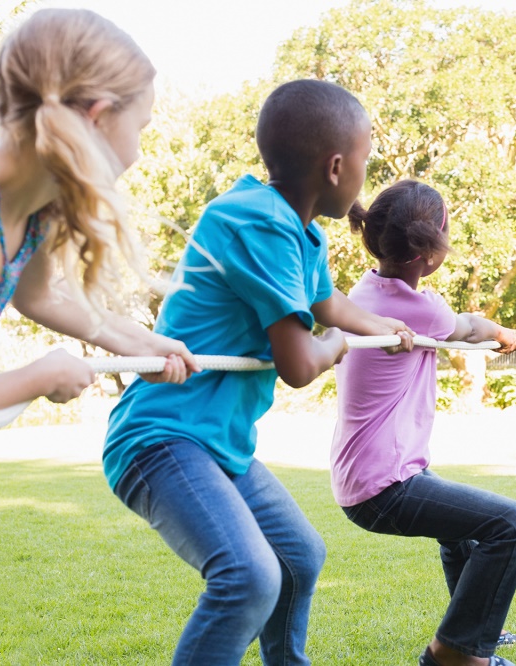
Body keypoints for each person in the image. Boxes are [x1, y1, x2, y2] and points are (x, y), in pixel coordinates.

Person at [103, 80, 414, 666]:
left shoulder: (302, 233)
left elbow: (331, 306)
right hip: (163, 437)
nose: (364, 177)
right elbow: (301, 362)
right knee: (247, 577)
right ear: (337, 165)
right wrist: (340, 343)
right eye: (366, 162)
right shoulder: (256, 221)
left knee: (297, 557)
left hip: (218, 445)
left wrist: (380, 327)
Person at [0, 8, 197, 416]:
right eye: (139, 127)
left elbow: (39, 297)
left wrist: (141, 344)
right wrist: (39, 376)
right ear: (98, 117)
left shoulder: (33, 203)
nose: (137, 152)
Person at [331, 179, 516, 666]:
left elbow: (458, 324)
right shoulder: (416, 306)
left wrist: (491, 330)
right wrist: (503, 332)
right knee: (512, 523)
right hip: (385, 487)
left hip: (368, 480)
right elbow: (469, 326)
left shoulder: (367, 291)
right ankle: (456, 653)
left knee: (462, 529)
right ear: (430, 252)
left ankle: (476, 631)